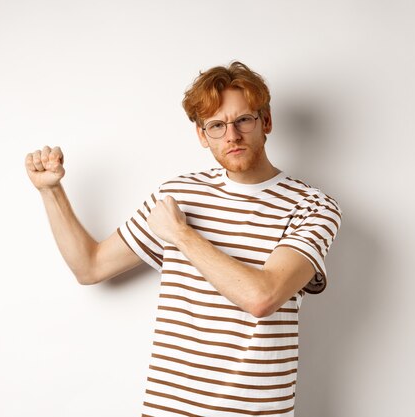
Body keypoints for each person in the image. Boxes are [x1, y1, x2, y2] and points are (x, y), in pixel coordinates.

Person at [25, 61, 342, 416]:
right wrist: (51, 192)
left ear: (265, 122)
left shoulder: (312, 206)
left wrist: (180, 234)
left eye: (243, 120)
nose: (232, 136)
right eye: (217, 126)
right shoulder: (179, 194)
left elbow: (262, 297)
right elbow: (90, 267)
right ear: (201, 135)